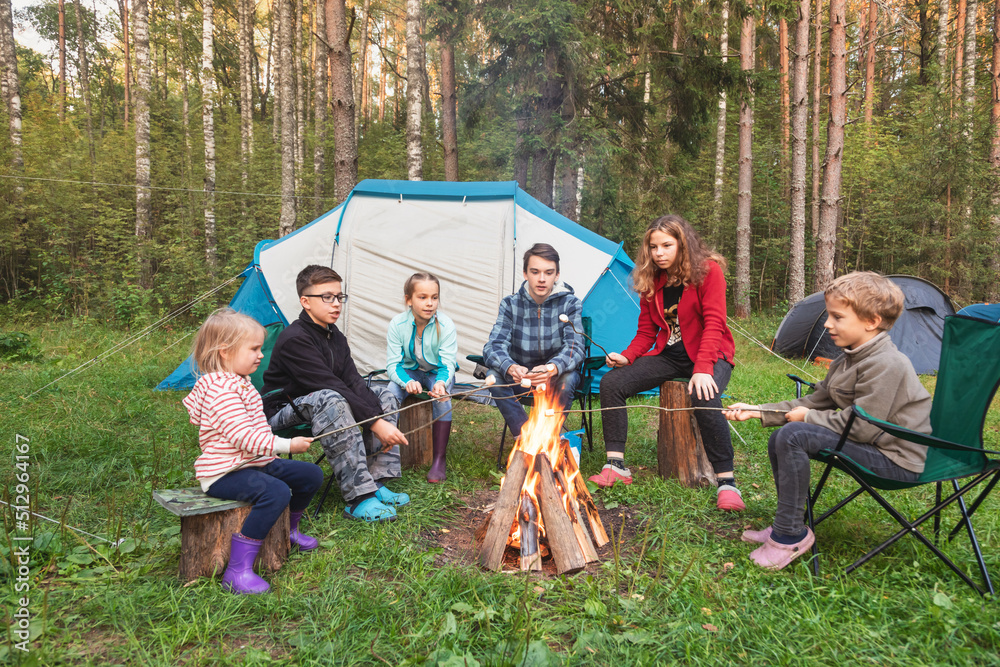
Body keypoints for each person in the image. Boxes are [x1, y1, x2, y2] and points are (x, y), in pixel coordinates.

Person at [725, 272, 932, 570]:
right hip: (874, 446)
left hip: (897, 459)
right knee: (783, 435)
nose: (827, 324)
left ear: (871, 321)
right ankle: (787, 523)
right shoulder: (847, 359)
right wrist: (758, 410)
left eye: (837, 317)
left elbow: (863, 427)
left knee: (794, 434)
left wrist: (808, 418)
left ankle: (789, 536)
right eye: (828, 315)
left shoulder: (887, 363)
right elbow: (814, 402)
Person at [589, 215, 743, 513]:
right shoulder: (653, 278)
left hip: (711, 354)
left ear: (682, 243)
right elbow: (647, 330)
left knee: (703, 394)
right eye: (653, 246)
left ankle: (727, 481)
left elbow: (715, 323)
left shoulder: (708, 271)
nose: (659, 253)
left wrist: (703, 369)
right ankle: (616, 466)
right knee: (612, 383)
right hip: (671, 355)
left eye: (666, 245)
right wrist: (628, 356)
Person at [183, 308, 324, 595]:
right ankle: (237, 570)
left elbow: (253, 435)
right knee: (275, 492)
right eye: (254, 349)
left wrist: (271, 451)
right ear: (225, 352)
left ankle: (289, 531)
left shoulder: (239, 382)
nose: (261, 355)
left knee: (310, 475)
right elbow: (243, 437)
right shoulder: (221, 391)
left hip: (252, 461)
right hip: (225, 472)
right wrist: (287, 445)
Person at [261, 265, 409, 523]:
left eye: (339, 296)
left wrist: (378, 417)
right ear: (305, 302)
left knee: (383, 395)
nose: (336, 303)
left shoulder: (335, 335)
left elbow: (352, 381)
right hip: (283, 411)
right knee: (330, 398)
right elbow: (328, 384)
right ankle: (359, 498)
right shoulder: (295, 338)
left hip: (324, 403)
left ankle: (375, 481)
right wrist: (376, 423)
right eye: (327, 297)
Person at [483, 243, 585, 439]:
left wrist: (551, 368)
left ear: (557, 275)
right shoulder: (510, 304)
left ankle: (547, 437)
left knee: (569, 378)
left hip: (554, 376)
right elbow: (493, 346)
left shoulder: (571, 303)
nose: (541, 279)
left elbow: (576, 346)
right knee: (493, 376)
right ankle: (526, 436)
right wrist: (511, 367)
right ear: (525, 273)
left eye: (548, 272)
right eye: (535, 272)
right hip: (520, 377)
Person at [385, 272, 458, 483]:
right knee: (389, 393)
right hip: (410, 372)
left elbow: (447, 363)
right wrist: (407, 382)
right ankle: (386, 455)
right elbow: (393, 365)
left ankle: (439, 459)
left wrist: (441, 384)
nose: (430, 303)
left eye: (434, 297)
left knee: (442, 399)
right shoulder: (397, 324)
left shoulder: (446, 325)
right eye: (422, 297)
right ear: (408, 299)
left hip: (437, 373)